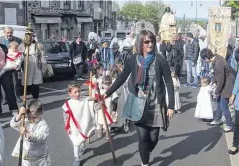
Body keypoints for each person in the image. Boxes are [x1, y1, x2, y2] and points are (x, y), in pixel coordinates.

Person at [104, 30, 175, 166]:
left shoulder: (160, 60)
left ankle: (145, 152)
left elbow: (169, 83)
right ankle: (145, 163)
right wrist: (106, 93)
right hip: (138, 102)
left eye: (152, 41)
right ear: (140, 42)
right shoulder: (133, 59)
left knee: (153, 138)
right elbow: (121, 78)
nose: (150, 44)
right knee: (143, 138)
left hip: (156, 104)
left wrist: (171, 106)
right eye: (146, 42)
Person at [62, 82, 95, 166]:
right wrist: (67, 127)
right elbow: (65, 117)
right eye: (75, 92)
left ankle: (82, 146)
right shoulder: (68, 104)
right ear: (70, 93)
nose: (78, 94)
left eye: (79, 91)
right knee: (76, 142)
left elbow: (90, 100)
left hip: (83, 123)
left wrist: (97, 99)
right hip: (73, 126)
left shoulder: (83, 100)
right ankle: (76, 158)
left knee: (82, 138)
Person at [202, 48, 235, 132]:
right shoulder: (217, 58)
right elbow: (217, 76)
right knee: (219, 103)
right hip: (224, 84)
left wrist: (216, 92)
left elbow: (221, 80)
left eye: (204, 59)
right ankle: (217, 119)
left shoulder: (218, 63)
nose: (205, 61)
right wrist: (213, 81)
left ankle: (229, 125)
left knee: (224, 106)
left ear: (206, 57)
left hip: (227, 86)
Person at [10, 99, 51, 165]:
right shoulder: (26, 121)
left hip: (39, 157)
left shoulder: (43, 125)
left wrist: (27, 133)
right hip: (26, 155)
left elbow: (41, 137)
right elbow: (13, 125)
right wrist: (19, 115)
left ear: (41, 113)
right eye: (29, 117)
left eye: (34, 117)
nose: (32, 119)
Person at [0, 30, 18, 115]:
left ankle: (13, 109)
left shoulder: (3, 47)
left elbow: (10, 57)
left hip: (5, 72)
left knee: (10, 91)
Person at [0, 26, 23, 105]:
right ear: (4, 32)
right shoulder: (0, 40)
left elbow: (21, 54)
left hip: (13, 65)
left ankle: (17, 97)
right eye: (7, 32)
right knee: (4, 83)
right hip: (3, 65)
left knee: (15, 82)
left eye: (11, 32)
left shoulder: (18, 40)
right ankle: (5, 99)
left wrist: (19, 66)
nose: (9, 34)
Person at [19, 34, 46, 100]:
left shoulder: (38, 45)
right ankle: (25, 97)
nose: (32, 37)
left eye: (34, 36)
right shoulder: (22, 45)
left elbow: (42, 56)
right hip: (26, 65)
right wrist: (18, 68)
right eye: (31, 36)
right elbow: (18, 56)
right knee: (26, 81)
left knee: (35, 82)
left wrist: (43, 67)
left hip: (35, 65)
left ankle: (35, 97)